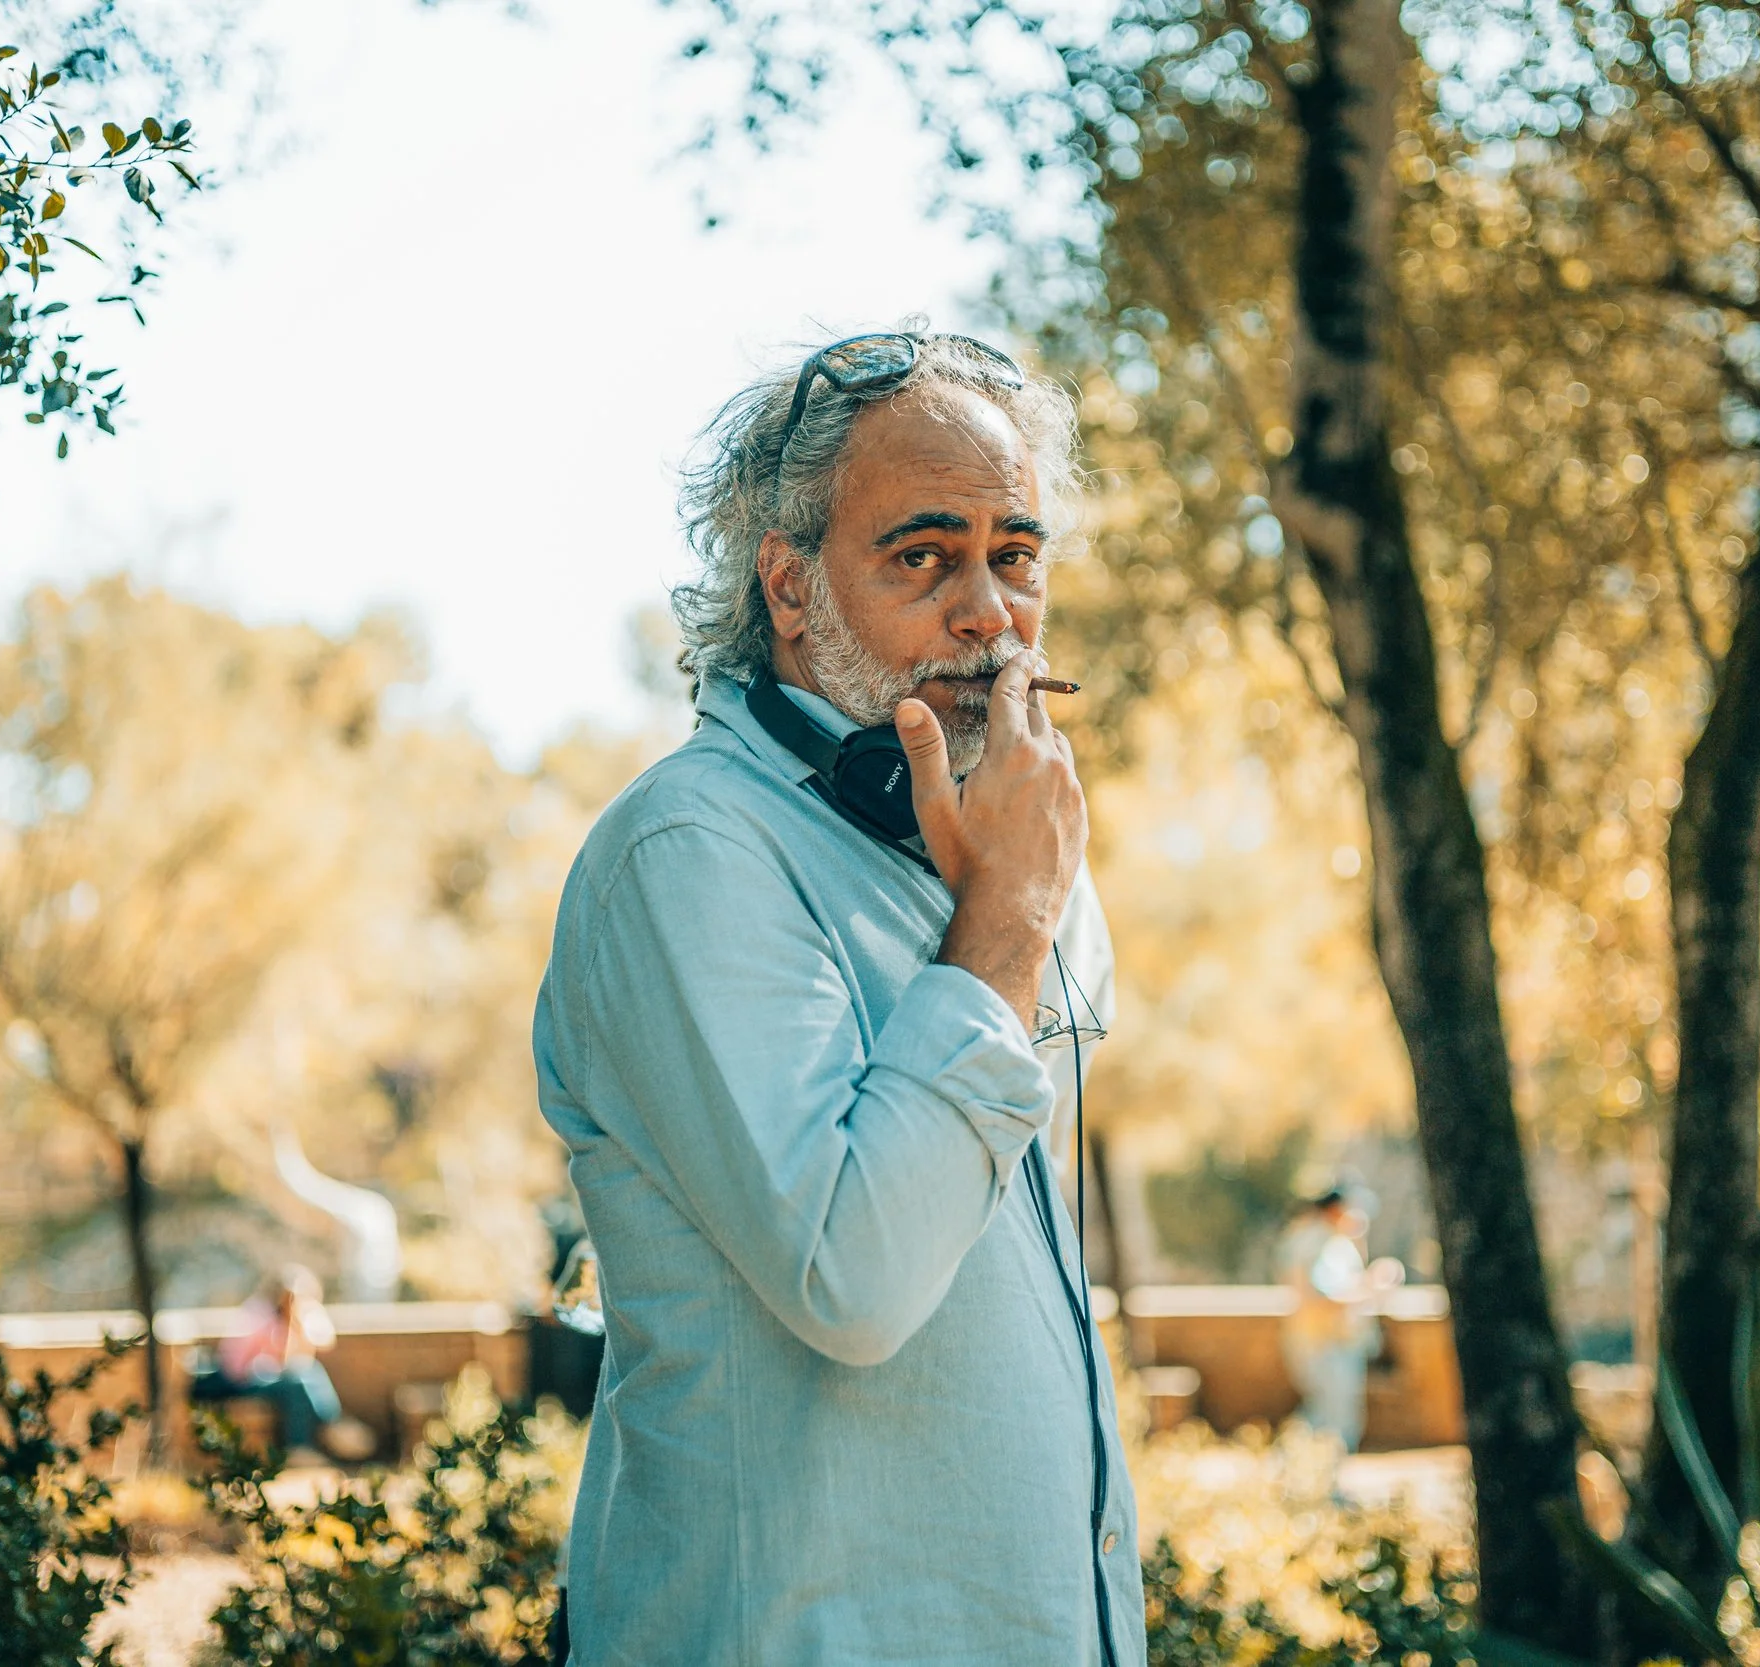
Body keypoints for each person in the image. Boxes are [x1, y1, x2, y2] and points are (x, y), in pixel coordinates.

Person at [534, 329, 1140, 1665]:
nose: (990, 612)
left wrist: (1013, 897)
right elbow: (854, 1275)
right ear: (790, 586)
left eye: (1015, 555)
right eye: (924, 556)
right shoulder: (692, 850)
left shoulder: (1004, 853)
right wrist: (1003, 924)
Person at [191, 1265, 367, 1463]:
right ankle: (302, 1445)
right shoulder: (259, 1312)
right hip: (239, 1381)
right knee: (296, 1385)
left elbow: (321, 1343)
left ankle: (333, 1422)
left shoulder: (293, 1315)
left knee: (311, 1371)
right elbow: (243, 1364)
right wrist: (291, 1318)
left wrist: (300, 1315)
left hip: (263, 1375)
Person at [1275, 1189, 1382, 1454]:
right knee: (1332, 1415)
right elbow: (1320, 1296)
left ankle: (1301, 1465)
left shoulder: (1324, 1240)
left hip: (1325, 1341)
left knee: (1331, 1411)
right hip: (1324, 1344)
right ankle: (1293, 1463)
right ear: (1337, 1209)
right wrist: (1370, 1287)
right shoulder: (1317, 1243)